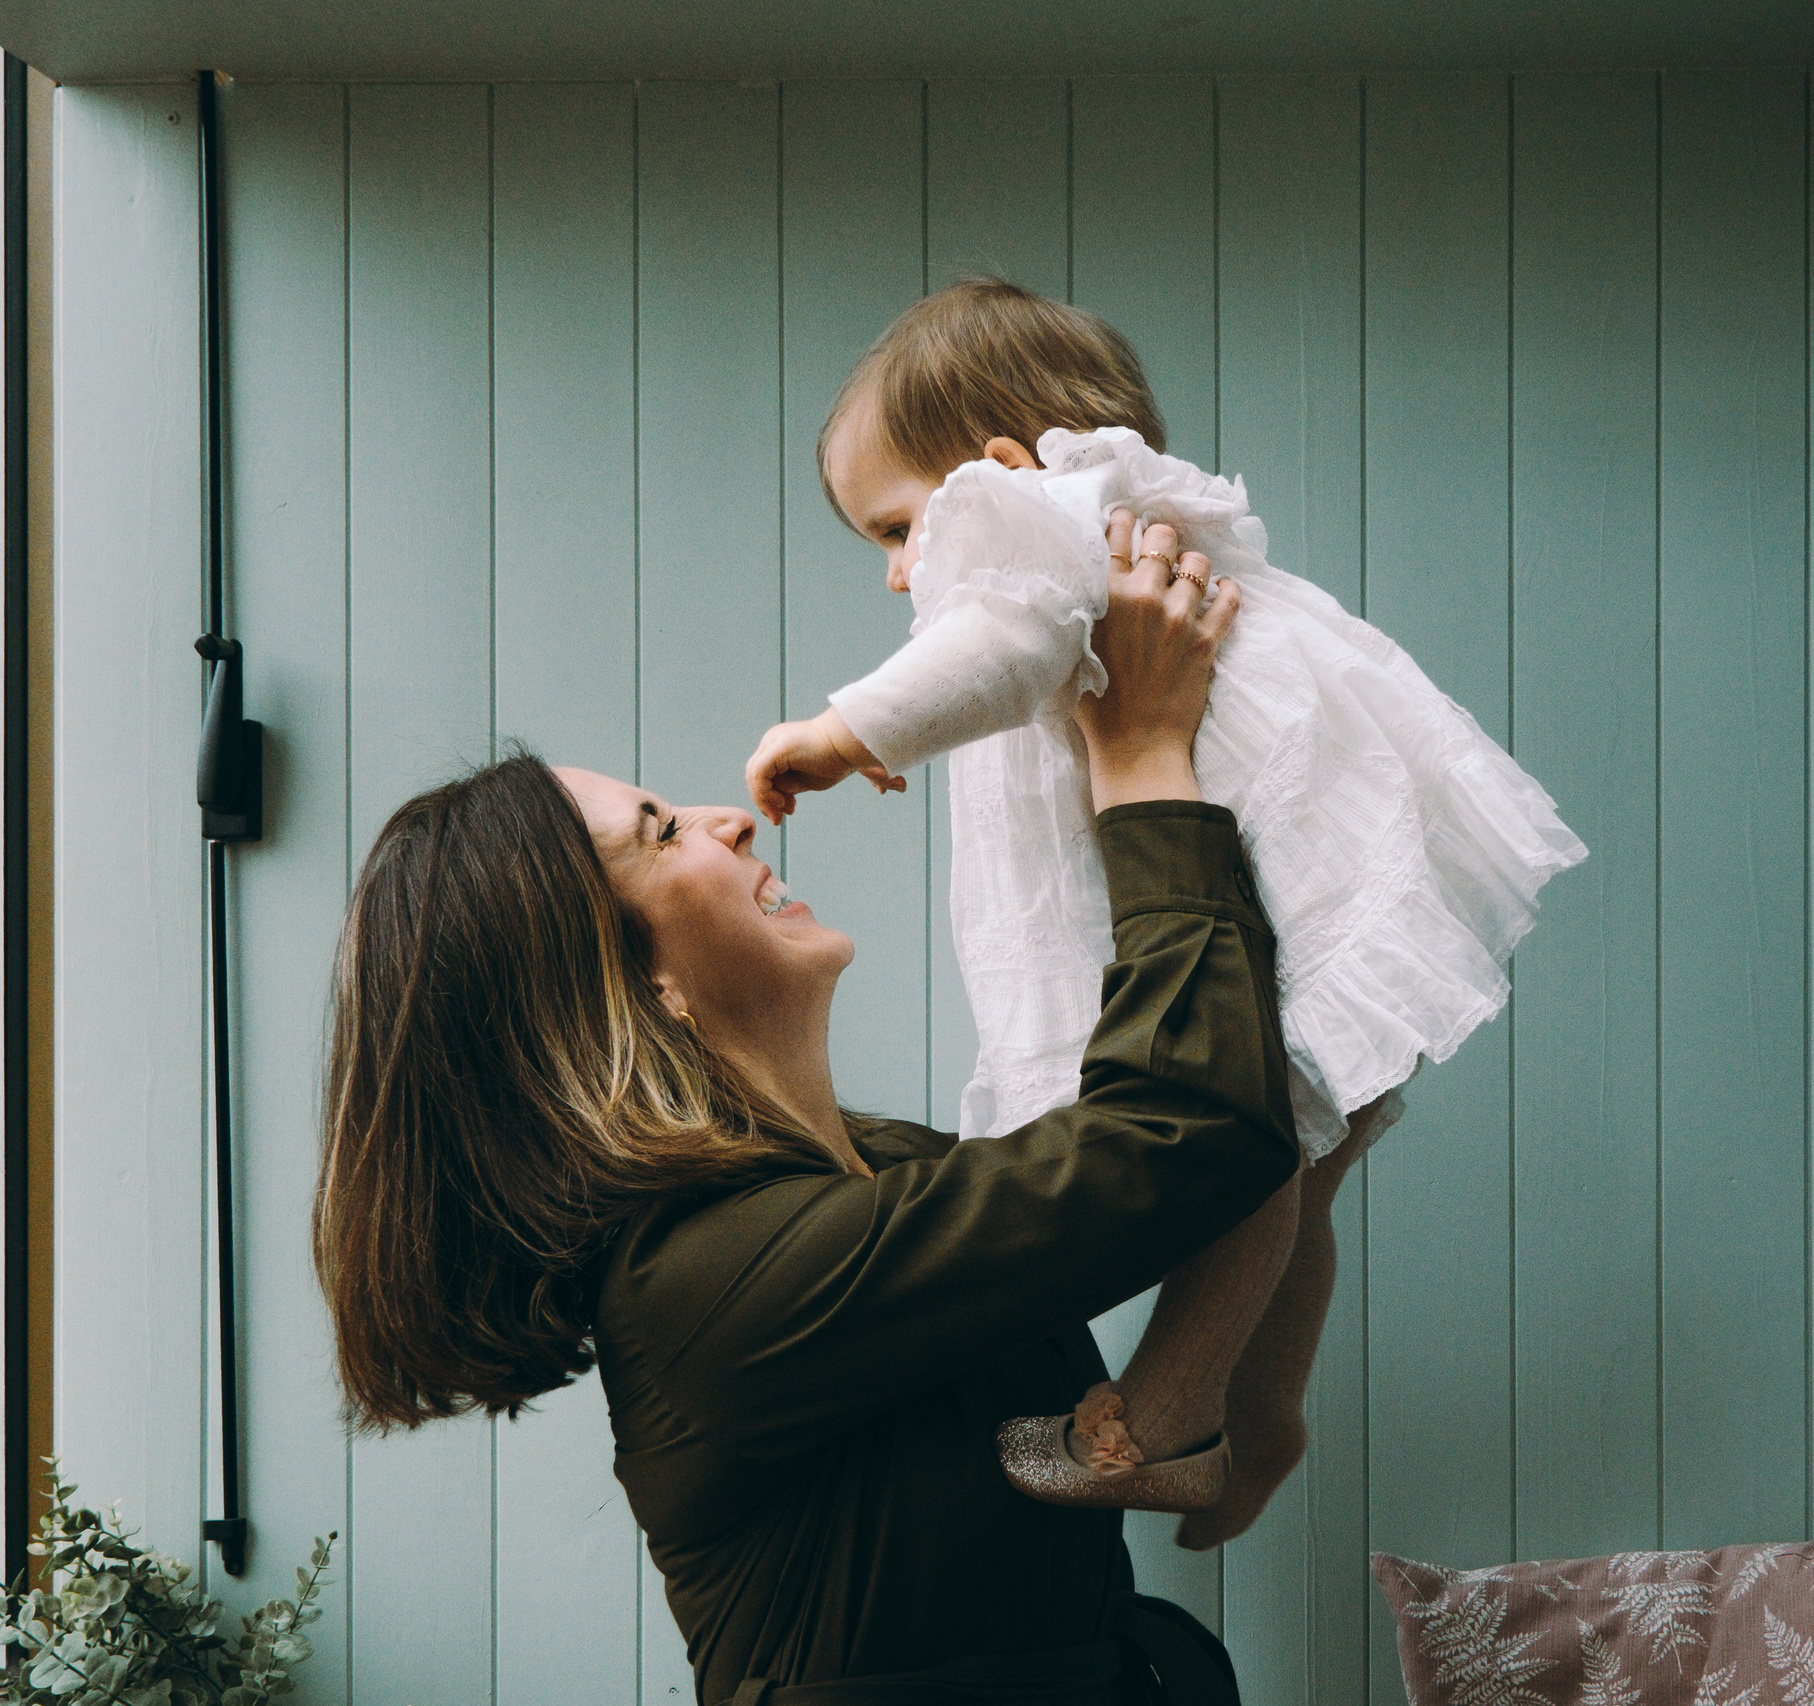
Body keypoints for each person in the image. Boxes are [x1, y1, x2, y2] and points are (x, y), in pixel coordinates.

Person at [314, 528, 1282, 1705]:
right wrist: (1140, 752)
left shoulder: (882, 1166)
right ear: (633, 986)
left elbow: (1185, 1146)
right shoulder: (703, 1275)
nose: (728, 819)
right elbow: (1183, 1133)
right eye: (662, 831)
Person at [745, 279, 1588, 1545]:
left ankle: (1169, 1413)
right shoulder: (1121, 529)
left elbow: (995, 649)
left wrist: (840, 729)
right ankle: (1259, 1411)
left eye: (900, 526)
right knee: (1289, 1172)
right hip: (1322, 898)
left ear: (996, 469)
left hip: (1277, 912)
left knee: (1238, 1152)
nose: (896, 571)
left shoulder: (1041, 531)